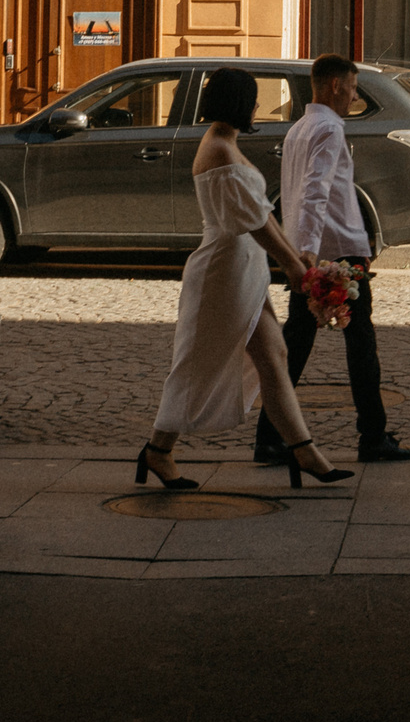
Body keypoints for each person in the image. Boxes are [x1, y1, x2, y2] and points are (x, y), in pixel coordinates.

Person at [138, 66, 354, 491]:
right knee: (197, 365)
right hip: (223, 273)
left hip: (242, 268)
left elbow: (263, 216)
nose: (257, 105)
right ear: (238, 102)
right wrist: (294, 267)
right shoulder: (218, 147)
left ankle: (302, 450)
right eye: (253, 98)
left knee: (273, 354)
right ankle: (158, 450)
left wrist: (300, 261)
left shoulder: (225, 142)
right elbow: (255, 220)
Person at [255, 54, 410, 465]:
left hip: (308, 249)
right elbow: (315, 190)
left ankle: (270, 435)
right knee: (360, 345)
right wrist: (311, 249)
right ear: (334, 86)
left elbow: (296, 194)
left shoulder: (299, 128)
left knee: (296, 343)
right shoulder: (329, 128)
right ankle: (372, 436)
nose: (352, 97)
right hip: (338, 252)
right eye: (350, 88)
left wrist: (300, 249)